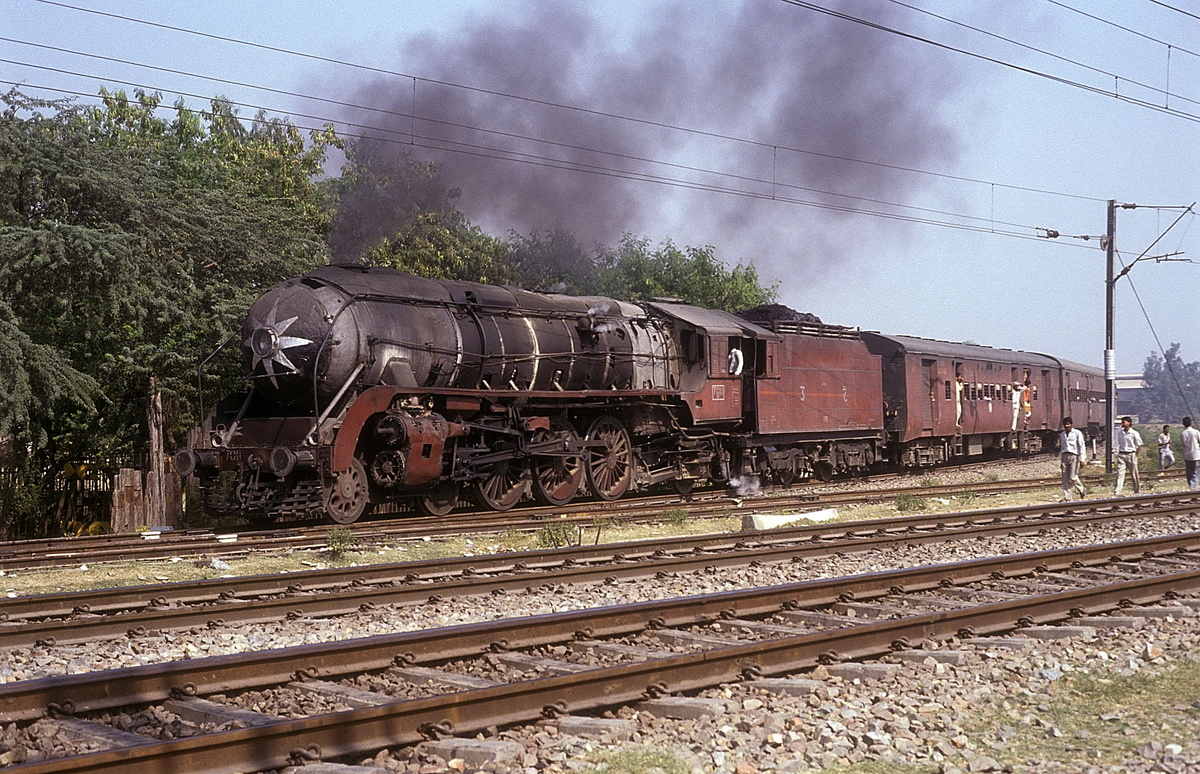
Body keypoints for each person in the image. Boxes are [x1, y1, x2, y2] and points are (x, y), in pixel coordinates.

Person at [1059, 416, 1087, 501]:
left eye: (1068, 424)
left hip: (1074, 456)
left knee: (1072, 477)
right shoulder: (1062, 434)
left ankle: (1082, 489)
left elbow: (1081, 446)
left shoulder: (1077, 433)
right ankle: (1068, 497)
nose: (1067, 426)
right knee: (1065, 478)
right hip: (1064, 456)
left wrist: (1082, 459)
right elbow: (1062, 447)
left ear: (1071, 424)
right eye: (1065, 425)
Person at [1113, 416, 1143, 495]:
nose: (1122, 424)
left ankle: (1137, 490)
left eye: (1124, 422)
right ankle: (1117, 491)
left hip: (1131, 454)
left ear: (1129, 423)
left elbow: (1139, 446)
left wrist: (1136, 456)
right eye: (1122, 422)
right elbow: (1118, 444)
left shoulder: (1134, 433)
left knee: (1134, 473)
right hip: (1122, 454)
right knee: (1120, 473)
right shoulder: (1120, 433)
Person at [1182, 417, 1200, 490]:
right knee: (1196, 472)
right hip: (1196, 454)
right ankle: (1192, 487)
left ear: (1183, 424)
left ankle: (1191, 484)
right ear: (1191, 423)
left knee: (1189, 472)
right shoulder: (1196, 432)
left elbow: (1184, 444)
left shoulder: (1182, 433)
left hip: (1187, 455)